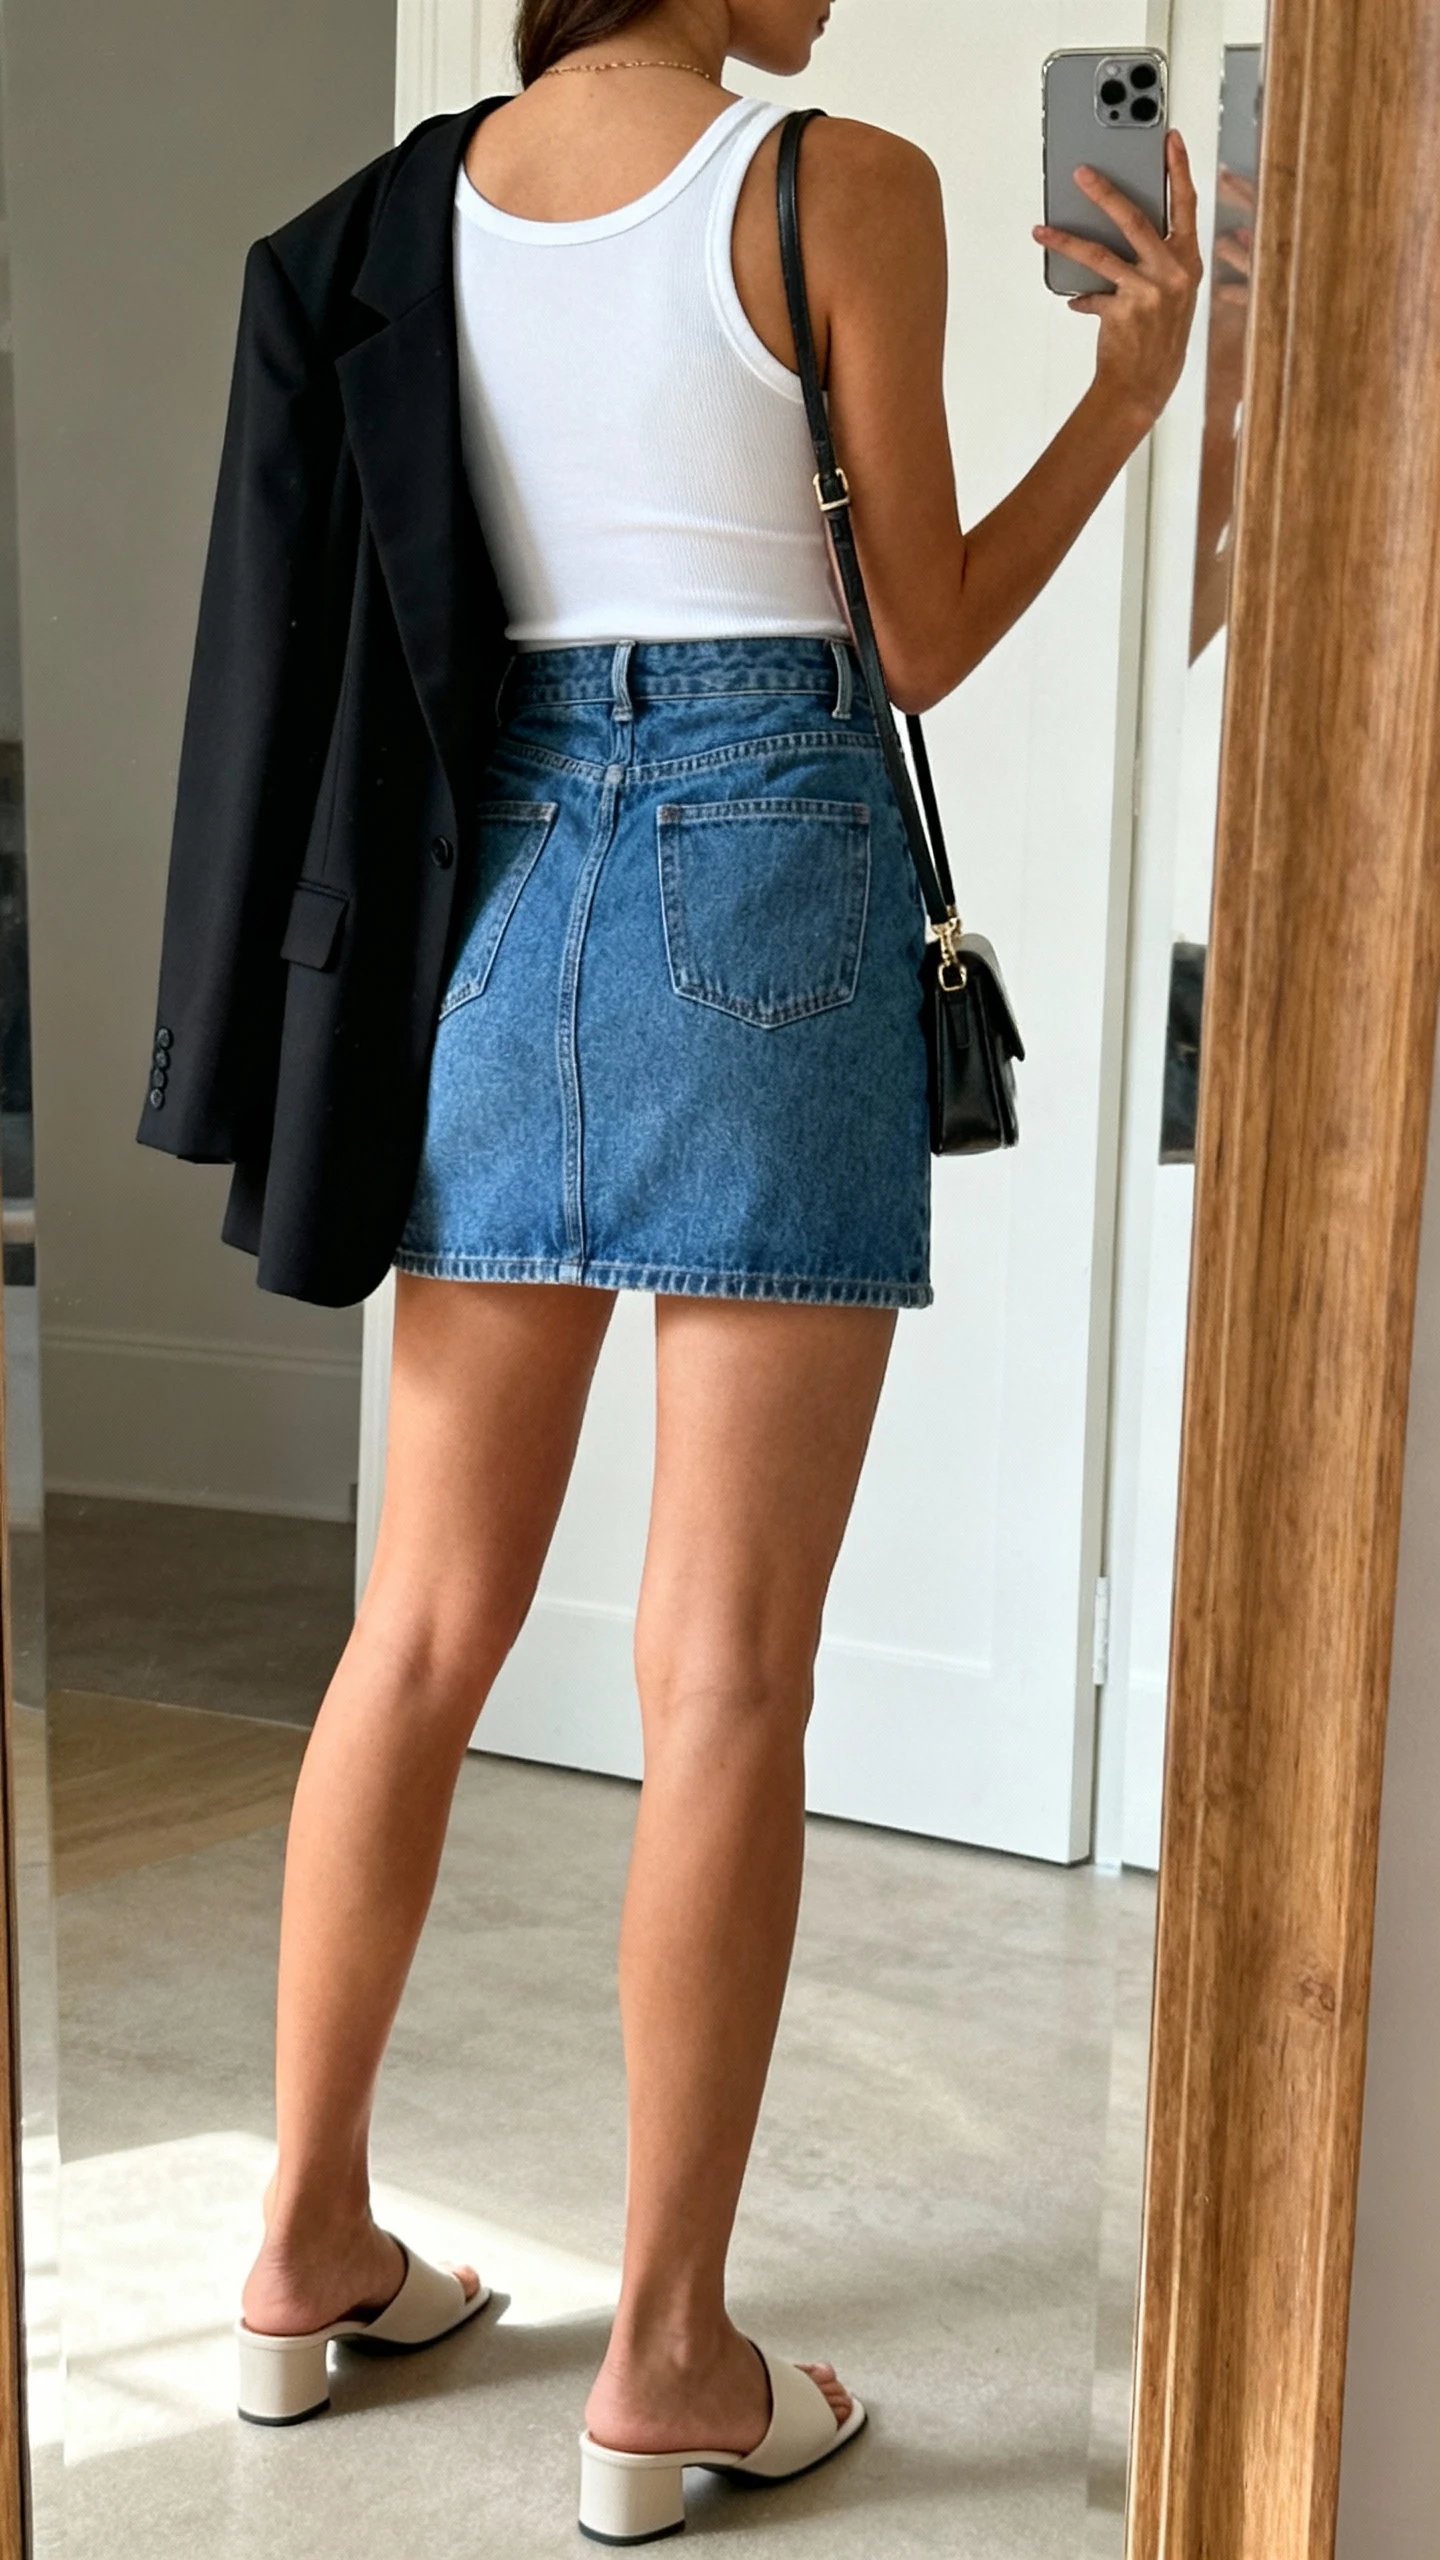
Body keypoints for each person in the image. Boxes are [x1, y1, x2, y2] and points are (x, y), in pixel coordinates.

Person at [143, 0, 1199, 2540]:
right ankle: (665, 2358)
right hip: (767, 869)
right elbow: (918, 634)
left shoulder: (418, 203)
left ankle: (298, 2244)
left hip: (498, 896)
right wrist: (1138, 394)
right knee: (726, 1664)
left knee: (417, 1627)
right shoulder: (833, 181)